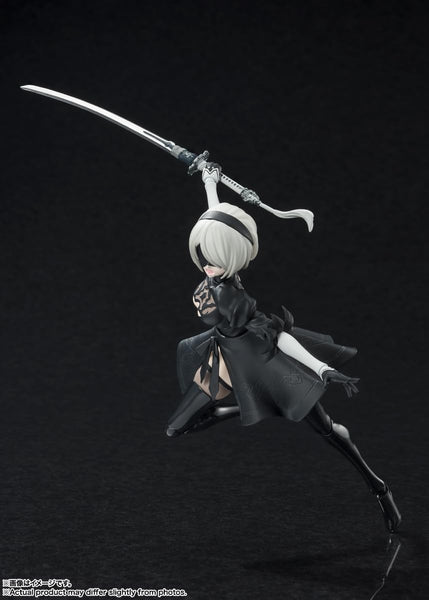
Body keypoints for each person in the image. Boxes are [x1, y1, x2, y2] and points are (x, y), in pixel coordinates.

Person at [165, 163, 401, 533]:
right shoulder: (218, 267)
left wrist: (321, 368)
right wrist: (209, 181)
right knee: (178, 428)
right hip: (224, 358)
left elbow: (277, 335)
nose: (207, 264)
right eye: (203, 254)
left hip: (261, 361)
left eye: (214, 257)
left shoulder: (236, 298)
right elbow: (217, 226)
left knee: (325, 429)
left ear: (231, 257)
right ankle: (245, 407)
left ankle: (379, 488)